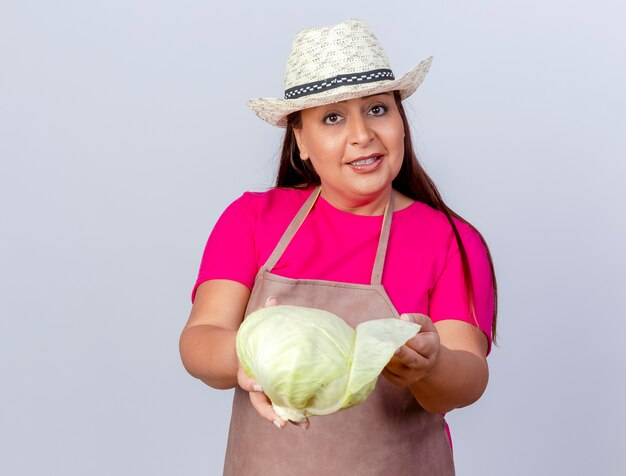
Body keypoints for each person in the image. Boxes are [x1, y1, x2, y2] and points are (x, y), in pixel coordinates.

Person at [179, 18, 497, 475]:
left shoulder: (447, 239)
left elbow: (467, 380)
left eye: (377, 109)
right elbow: (199, 341)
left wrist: (432, 364)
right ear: (301, 140)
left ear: (401, 122)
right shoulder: (251, 220)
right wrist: (256, 354)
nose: (362, 134)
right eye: (332, 118)